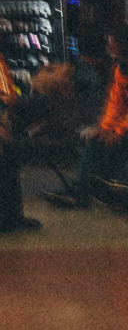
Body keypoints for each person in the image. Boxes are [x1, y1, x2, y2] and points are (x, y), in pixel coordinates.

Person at [46, 26, 128, 210]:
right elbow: (116, 103)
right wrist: (106, 128)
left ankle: (122, 185)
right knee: (97, 139)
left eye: (111, 42)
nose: (108, 46)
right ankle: (81, 190)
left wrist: (119, 130)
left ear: (123, 44)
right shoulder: (121, 68)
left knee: (122, 139)